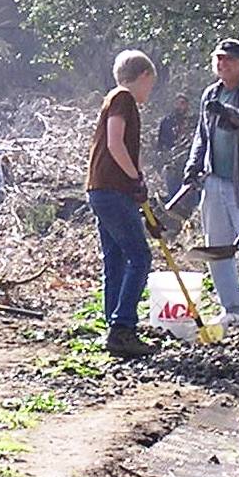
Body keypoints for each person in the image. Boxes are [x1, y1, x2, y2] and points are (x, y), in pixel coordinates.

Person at [182, 38, 239, 332]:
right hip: (214, 181)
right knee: (216, 247)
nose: (223, 65)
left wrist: (232, 117)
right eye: (219, 59)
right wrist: (193, 165)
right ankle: (231, 307)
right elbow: (202, 135)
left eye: (229, 60)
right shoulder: (212, 93)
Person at [86, 50, 160, 358]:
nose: (150, 91)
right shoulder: (122, 98)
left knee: (115, 259)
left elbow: (123, 147)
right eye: (151, 84)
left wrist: (138, 178)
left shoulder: (117, 100)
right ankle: (122, 328)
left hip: (104, 190)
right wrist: (134, 180)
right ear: (143, 76)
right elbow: (116, 143)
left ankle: (113, 324)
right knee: (140, 258)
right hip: (113, 190)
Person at [157, 94, 192, 195]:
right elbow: (160, 144)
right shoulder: (166, 122)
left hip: (186, 162)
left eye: (183, 103)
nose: (180, 106)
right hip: (171, 162)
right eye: (178, 103)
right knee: (173, 191)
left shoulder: (191, 122)